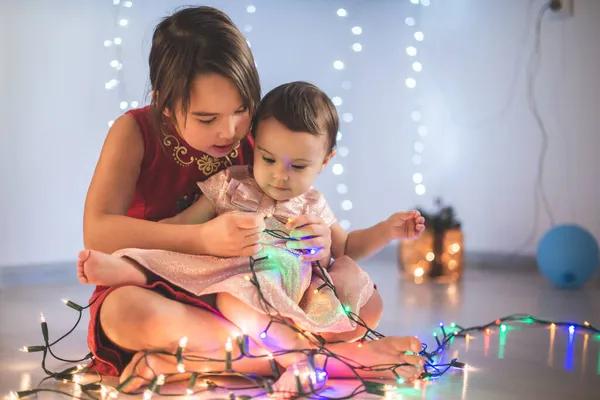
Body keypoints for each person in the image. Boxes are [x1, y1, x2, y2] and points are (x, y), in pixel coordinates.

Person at [82, 4, 424, 394]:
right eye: (206, 118)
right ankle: (340, 360)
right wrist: (202, 240)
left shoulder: (263, 136)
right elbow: (97, 233)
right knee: (126, 315)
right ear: (163, 101)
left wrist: (321, 242)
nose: (229, 131)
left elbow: (309, 212)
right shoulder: (134, 132)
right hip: (161, 288)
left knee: (365, 306)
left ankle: (191, 360)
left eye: (242, 110)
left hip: (257, 295)